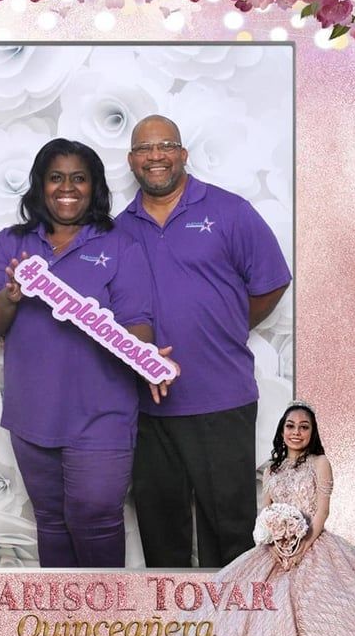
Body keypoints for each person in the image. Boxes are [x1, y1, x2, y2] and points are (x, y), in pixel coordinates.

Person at [0, 137, 169, 569]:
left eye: (79, 178)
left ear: (93, 186)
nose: (67, 187)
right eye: (56, 177)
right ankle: (65, 629)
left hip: (102, 415)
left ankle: (108, 628)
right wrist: (11, 296)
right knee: (52, 522)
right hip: (31, 417)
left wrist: (142, 352)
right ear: (40, 185)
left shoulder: (120, 245)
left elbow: (138, 320)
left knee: (94, 517)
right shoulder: (11, 244)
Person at [116, 114, 292, 568]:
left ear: (183, 154)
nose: (156, 156)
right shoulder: (117, 229)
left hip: (221, 399)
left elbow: (271, 282)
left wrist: (229, 325)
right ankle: (173, 632)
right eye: (144, 149)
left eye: (166, 145)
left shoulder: (230, 211)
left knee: (230, 531)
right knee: (161, 533)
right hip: (147, 408)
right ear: (132, 160)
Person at [155, 402, 355, 636]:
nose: (296, 432)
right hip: (272, 549)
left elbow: (322, 512)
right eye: (290, 426)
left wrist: (302, 548)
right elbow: (266, 513)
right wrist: (271, 538)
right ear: (282, 431)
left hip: (313, 545)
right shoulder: (273, 469)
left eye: (304, 427)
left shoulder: (319, 463)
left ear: (313, 432)